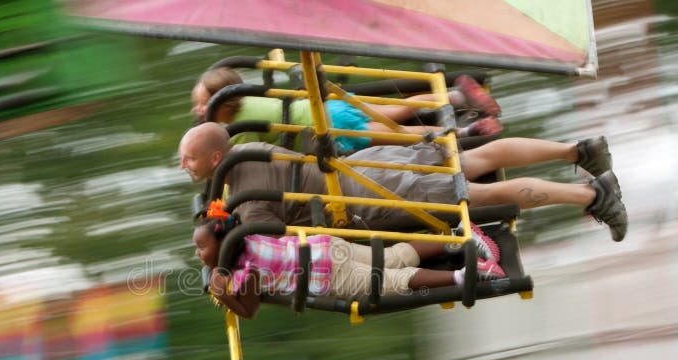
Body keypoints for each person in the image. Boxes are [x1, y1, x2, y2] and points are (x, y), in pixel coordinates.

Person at [179, 123, 628, 241]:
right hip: (370, 165)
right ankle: (578, 150)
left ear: (215, 158)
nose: (183, 166)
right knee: (475, 159)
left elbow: (263, 234)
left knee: (479, 195)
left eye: (188, 158)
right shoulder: (248, 151)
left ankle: (592, 194)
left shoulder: (242, 191)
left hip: (375, 194)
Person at [193, 212, 506, 320]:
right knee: (394, 256)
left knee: (391, 281)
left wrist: (223, 294)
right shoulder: (248, 236)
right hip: (325, 246)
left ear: (223, 246)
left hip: (327, 274)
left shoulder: (246, 270)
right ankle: (459, 239)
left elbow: (248, 309)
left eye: (201, 246)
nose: (197, 253)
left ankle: (467, 273)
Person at [191, 67, 503, 153]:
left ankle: (463, 132)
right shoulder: (249, 98)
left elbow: (241, 155)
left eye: (203, 102)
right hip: (330, 108)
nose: (199, 110)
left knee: (403, 135)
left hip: (332, 130)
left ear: (223, 101)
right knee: (398, 110)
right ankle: (457, 96)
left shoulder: (235, 129)